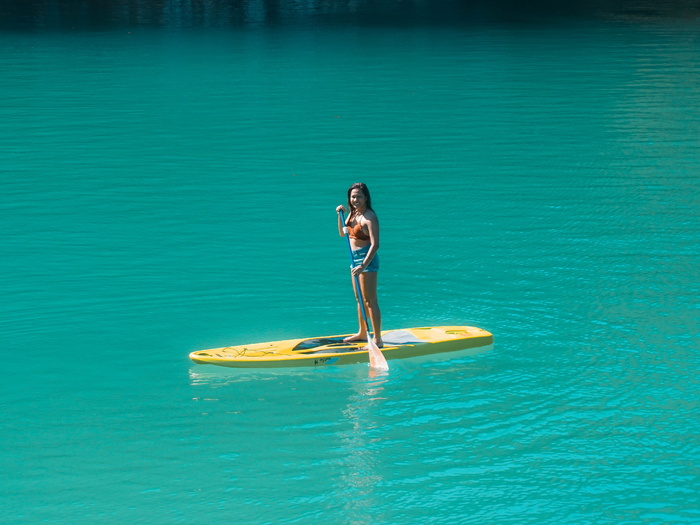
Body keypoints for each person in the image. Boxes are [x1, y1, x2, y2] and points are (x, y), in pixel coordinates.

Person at [336, 182, 383, 348]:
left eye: (359, 196)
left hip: (366, 260)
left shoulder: (370, 217)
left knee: (370, 301)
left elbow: (375, 245)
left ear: (366, 198)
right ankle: (362, 333)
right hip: (353, 260)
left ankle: (377, 339)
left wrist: (364, 265)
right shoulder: (352, 214)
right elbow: (343, 233)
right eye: (353, 196)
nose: (355, 199)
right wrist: (339, 215)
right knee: (359, 300)